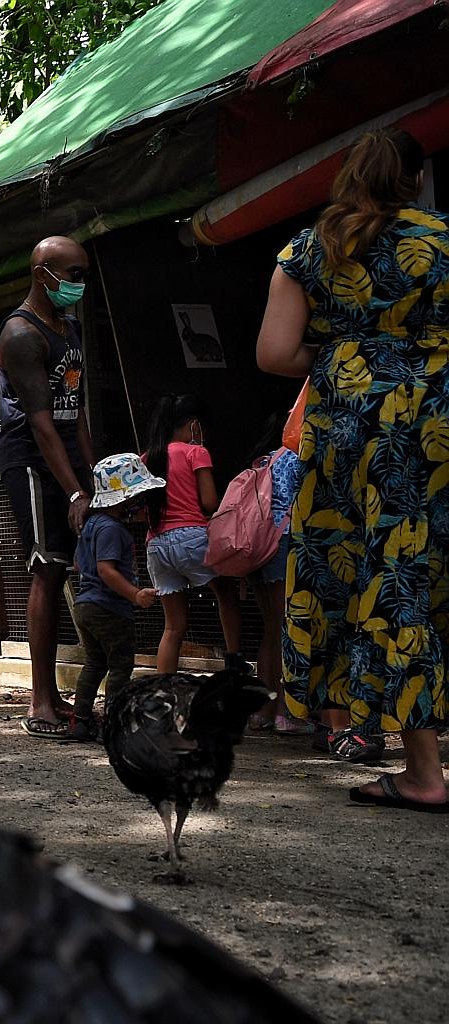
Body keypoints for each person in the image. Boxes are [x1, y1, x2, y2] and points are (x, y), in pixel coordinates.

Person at [256, 127, 449, 807]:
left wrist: (351, 355)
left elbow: (275, 353)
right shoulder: (442, 239)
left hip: (356, 439)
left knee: (387, 577)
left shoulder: (310, 251)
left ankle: (424, 774)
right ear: (417, 179)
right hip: (438, 425)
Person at [0, 235, 96, 738]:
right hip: (31, 462)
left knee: (66, 572)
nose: (79, 283)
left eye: (83, 274)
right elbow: (40, 423)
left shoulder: (71, 329)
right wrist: (72, 492)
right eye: (72, 274)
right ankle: (40, 702)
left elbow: (74, 413)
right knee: (47, 568)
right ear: (43, 275)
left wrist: (92, 480)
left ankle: (61, 696)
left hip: (68, 460)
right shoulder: (20, 334)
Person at [141, 395, 246, 674]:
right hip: (191, 538)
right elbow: (210, 502)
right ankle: (234, 658)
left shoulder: (147, 458)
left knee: (173, 626)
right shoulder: (195, 452)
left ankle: (164, 692)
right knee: (226, 593)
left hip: (156, 546)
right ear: (194, 425)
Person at [67, 454, 162, 743]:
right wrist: (135, 594)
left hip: (85, 605)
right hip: (108, 608)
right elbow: (105, 570)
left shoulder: (92, 525)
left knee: (95, 663)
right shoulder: (111, 529)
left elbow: (80, 564)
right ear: (125, 498)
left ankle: (80, 720)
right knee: (121, 665)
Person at [242, 414, 309, 737]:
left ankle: (262, 712)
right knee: (288, 631)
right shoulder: (298, 457)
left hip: (258, 547)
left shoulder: (264, 460)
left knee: (271, 631)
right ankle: (287, 712)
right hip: (286, 545)